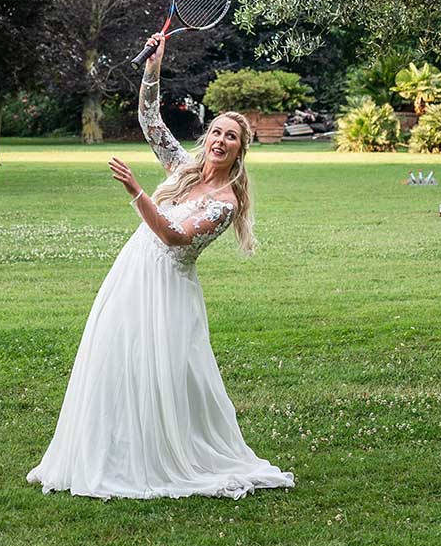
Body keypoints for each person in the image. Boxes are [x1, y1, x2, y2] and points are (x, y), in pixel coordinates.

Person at [27, 32, 293, 500]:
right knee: (114, 359)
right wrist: (153, 67)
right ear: (207, 136)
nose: (220, 140)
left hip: (167, 291)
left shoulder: (224, 203)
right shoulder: (183, 168)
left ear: (239, 151)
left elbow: (172, 237)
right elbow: (150, 121)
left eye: (231, 136)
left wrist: (136, 191)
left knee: (160, 374)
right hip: (131, 276)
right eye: (216, 131)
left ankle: (158, 457)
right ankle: (108, 452)